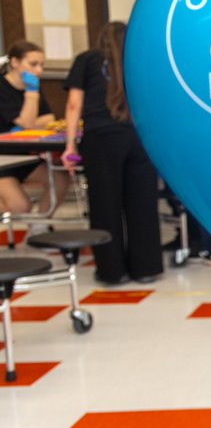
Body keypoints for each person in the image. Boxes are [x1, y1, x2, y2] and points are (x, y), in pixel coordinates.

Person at [63, 22, 162, 286]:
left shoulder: (86, 60)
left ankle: (112, 271)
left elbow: (74, 104)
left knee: (105, 206)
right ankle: (146, 268)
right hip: (140, 137)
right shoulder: (140, 60)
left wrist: (70, 145)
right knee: (142, 204)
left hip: (101, 138)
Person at [0, 41, 66, 219]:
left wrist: (26, 125)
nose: (39, 71)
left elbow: (49, 119)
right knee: (20, 206)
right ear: (14, 62)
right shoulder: (4, 88)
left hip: (26, 157)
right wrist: (31, 93)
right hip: (3, 159)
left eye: (41, 65)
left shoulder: (35, 89)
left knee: (60, 180)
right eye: (33, 64)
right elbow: (29, 122)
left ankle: (38, 226)